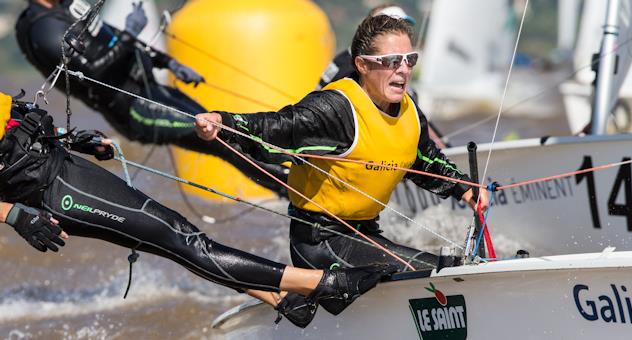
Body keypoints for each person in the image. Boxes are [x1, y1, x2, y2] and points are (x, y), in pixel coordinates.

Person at [0, 90, 395, 329]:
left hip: (63, 168)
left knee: (174, 241)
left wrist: (72, 138)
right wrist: (15, 216)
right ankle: (324, 284)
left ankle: (284, 302)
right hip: (55, 189)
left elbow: (12, 125)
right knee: (183, 238)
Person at [195, 14, 489, 316]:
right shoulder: (335, 109)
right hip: (321, 241)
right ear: (362, 65)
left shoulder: (409, 112)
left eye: (409, 59)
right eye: (391, 61)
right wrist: (225, 121)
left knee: (445, 267)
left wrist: (464, 187)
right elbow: (278, 126)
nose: (403, 69)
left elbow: (426, 160)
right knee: (438, 272)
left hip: (366, 235)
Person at [14, 0, 289, 196]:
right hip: (135, 110)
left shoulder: (67, 5)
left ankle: (292, 180)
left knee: (229, 133)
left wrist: (169, 63)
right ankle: (290, 191)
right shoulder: (42, 27)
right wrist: (130, 32)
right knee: (220, 140)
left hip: (154, 91)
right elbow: (95, 69)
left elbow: (115, 40)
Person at [317, 3, 449, 148]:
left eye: (403, 26)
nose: (400, 33)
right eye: (390, 26)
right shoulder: (349, 67)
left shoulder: (394, 67)